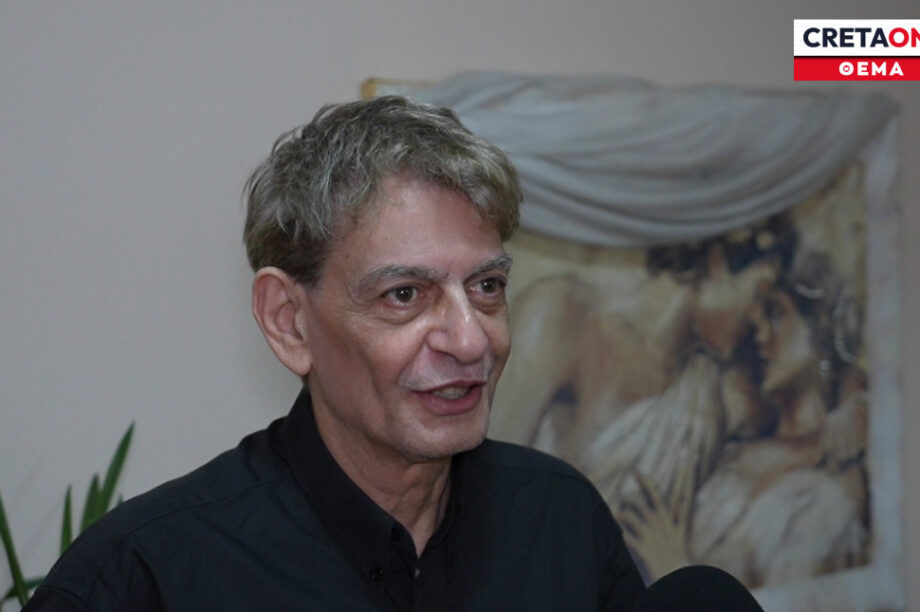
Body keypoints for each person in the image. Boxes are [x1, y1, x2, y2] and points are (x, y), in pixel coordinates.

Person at [23, 96, 761, 612]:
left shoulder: (557, 518)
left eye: (488, 286)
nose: (471, 339)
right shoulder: (141, 578)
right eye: (405, 295)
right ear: (288, 321)